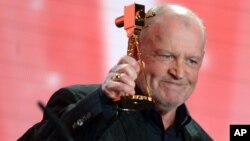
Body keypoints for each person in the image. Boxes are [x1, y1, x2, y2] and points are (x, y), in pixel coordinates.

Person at [18, 3, 212, 141]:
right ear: (136, 52)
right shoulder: (79, 102)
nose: (179, 72)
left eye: (191, 61)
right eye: (167, 56)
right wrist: (102, 102)